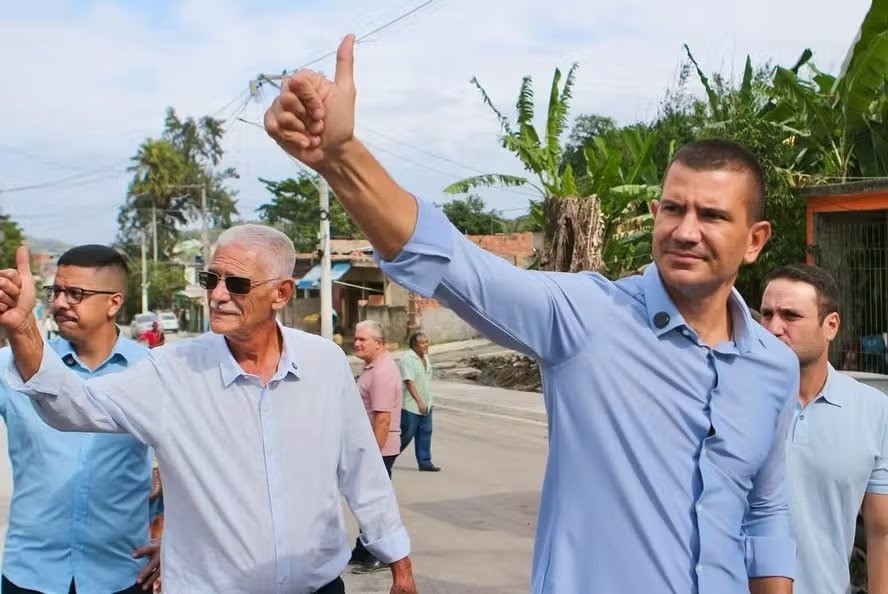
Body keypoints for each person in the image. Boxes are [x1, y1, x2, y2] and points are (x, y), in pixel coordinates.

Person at [264, 35, 800, 593]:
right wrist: (343, 159)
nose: (686, 231)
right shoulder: (589, 316)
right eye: (673, 208)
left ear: (755, 239)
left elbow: (765, 513)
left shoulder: (773, 368)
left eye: (711, 215)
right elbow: (452, 263)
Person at [0, 225, 416, 594]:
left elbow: (362, 470)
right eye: (210, 279)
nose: (217, 295)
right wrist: (23, 332)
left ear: (282, 292)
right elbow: (74, 407)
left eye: (235, 283)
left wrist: (400, 563)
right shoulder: (170, 370)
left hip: (320, 586)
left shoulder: (324, 363)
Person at [0, 244, 159, 594]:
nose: (59, 303)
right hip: (30, 573)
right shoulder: (12, 365)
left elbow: (198, 464)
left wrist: (175, 538)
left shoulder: (153, 372)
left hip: (121, 575)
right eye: (55, 291)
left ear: (114, 303)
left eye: (75, 294)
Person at [760, 264, 888, 594]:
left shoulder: (873, 410)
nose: (774, 327)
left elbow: (881, 533)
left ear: (830, 325)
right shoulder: (732, 403)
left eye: (790, 315)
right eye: (767, 314)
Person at [349, 320, 404, 574]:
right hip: (373, 446)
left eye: (363, 340)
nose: (357, 343)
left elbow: (383, 419)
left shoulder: (382, 371)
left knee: (374, 503)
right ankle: (362, 550)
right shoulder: (373, 367)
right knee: (367, 500)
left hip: (379, 448)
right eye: (356, 338)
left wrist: (371, 456)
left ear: (379, 343)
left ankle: (380, 554)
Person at [398, 332, 439, 472]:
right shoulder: (407, 359)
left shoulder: (426, 358)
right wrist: (419, 401)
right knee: (406, 434)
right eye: (422, 343)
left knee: (425, 432)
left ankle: (425, 462)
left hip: (427, 403)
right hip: (411, 405)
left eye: (427, 342)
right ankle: (386, 457)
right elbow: (409, 381)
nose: (426, 345)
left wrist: (426, 402)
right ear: (414, 345)